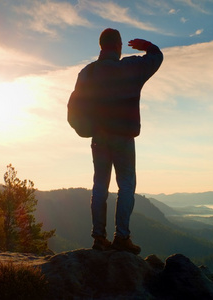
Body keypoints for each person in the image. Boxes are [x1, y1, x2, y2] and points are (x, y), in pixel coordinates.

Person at [72, 28, 163, 254]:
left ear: (100, 45)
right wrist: (147, 46)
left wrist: (85, 129)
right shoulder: (130, 68)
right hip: (123, 138)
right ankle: (121, 237)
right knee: (126, 186)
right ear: (119, 45)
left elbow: (74, 106)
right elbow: (156, 58)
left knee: (100, 185)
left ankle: (98, 237)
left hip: (99, 138)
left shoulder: (87, 73)